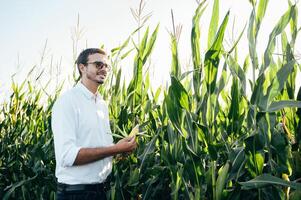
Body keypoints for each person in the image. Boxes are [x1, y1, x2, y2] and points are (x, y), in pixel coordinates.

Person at [51, 48, 137, 200]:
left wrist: (118, 150)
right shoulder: (68, 102)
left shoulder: (101, 104)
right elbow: (67, 156)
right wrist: (114, 149)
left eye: (106, 66)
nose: (104, 69)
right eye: (98, 64)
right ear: (82, 67)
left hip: (100, 191)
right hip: (76, 194)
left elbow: (99, 148)